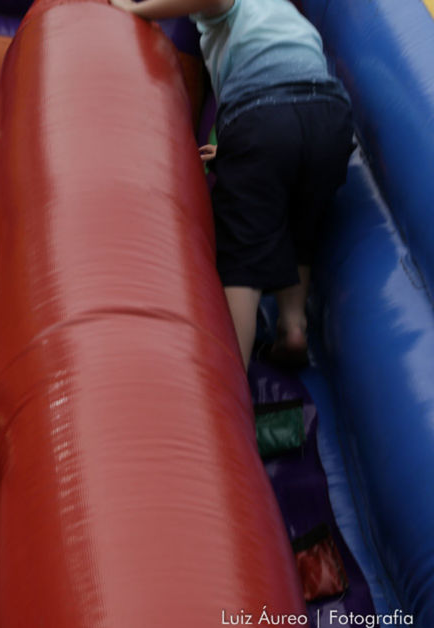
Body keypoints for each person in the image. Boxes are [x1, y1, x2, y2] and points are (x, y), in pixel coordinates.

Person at [110, 0, 354, 369]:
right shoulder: (279, 11)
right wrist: (235, 147)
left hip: (264, 112)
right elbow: (288, 97)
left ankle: (230, 383)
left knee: (241, 255)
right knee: (300, 223)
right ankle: (293, 326)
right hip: (329, 116)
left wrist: (136, 8)